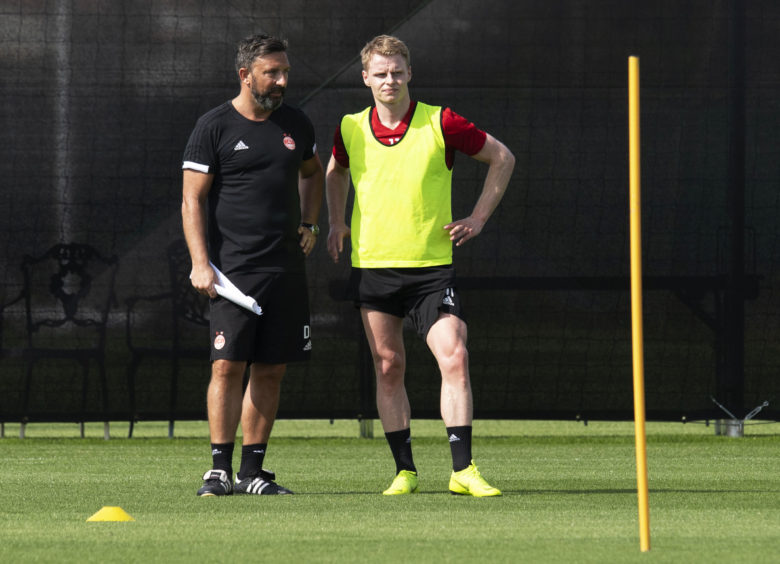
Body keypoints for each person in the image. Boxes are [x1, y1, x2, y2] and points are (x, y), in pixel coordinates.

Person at [326, 35, 515, 496]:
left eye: (397, 71)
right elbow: (334, 171)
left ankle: (463, 470)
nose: (389, 79)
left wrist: (478, 218)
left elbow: (502, 157)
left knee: (455, 354)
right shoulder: (350, 127)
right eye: (380, 72)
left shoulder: (440, 121)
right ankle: (404, 471)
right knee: (388, 365)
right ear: (366, 78)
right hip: (373, 266)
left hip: (431, 269)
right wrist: (334, 222)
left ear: (409, 73)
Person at [182, 34, 323, 496]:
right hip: (232, 274)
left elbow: (313, 173)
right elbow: (191, 201)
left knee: (271, 368)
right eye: (271, 73)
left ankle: (251, 473)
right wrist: (200, 263)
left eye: (285, 72)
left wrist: (311, 223)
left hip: (284, 269)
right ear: (245, 75)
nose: (281, 81)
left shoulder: (296, 124)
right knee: (227, 365)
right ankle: (219, 470)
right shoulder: (213, 126)